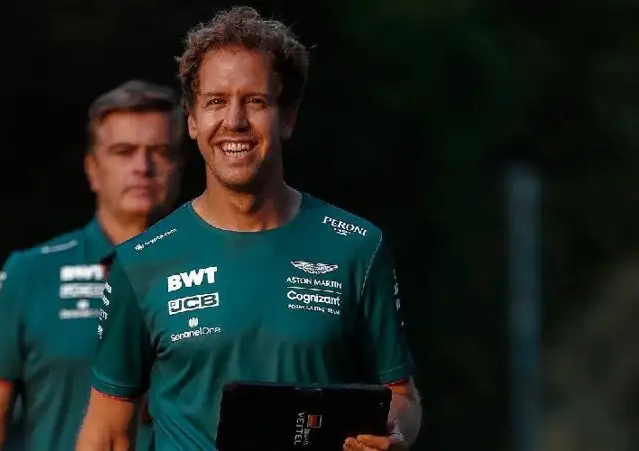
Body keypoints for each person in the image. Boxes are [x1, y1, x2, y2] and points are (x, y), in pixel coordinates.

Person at [76, 6, 422, 451]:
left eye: (255, 101)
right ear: (192, 119)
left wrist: (393, 431)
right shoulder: (141, 262)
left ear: (288, 116)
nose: (234, 121)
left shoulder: (357, 247)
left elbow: (402, 396)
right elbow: (107, 431)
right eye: (216, 102)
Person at [0, 79, 184, 451]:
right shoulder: (29, 274)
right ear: (93, 169)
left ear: (179, 166)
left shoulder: (217, 266)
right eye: (124, 152)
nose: (143, 167)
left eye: (160, 152)